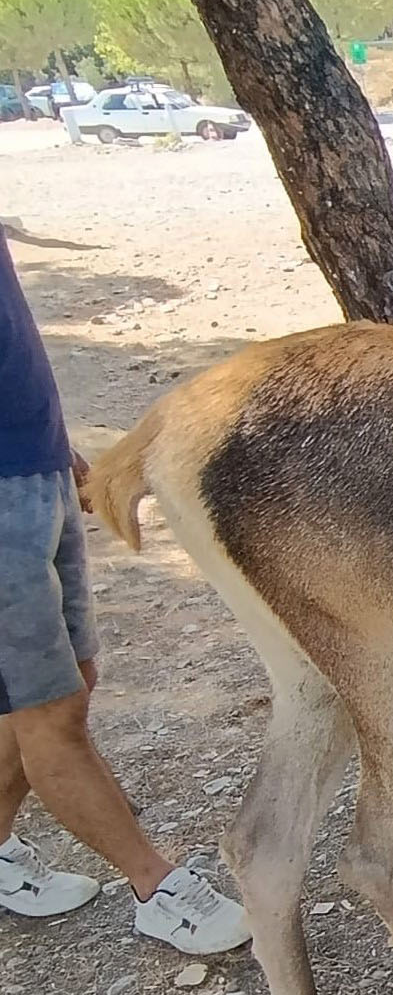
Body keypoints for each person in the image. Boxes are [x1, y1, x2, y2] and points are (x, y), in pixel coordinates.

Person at [0, 228, 250, 954]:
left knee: (60, 685)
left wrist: (56, 447)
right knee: (52, 713)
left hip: (34, 470)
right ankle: (156, 888)